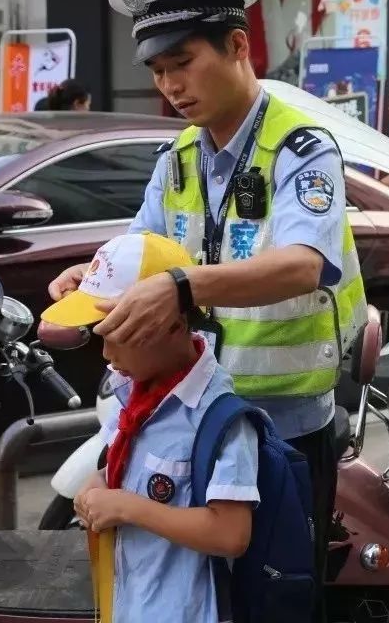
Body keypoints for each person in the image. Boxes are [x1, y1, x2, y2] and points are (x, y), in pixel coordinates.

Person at [47, 0, 368, 623]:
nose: (170, 85)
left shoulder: (300, 149)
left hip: (284, 430)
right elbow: (141, 245)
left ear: (238, 47)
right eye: (160, 69)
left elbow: (307, 265)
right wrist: (92, 272)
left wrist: (184, 284)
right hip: (194, 423)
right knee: (191, 594)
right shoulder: (180, 159)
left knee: (273, 596)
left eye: (184, 63)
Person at [45, 232, 259, 623]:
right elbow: (114, 467)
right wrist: (97, 485)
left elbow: (230, 533)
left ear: (173, 325)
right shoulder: (134, 395)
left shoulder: (218, 419)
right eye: (100, 334)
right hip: (129, 601)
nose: (107, 354)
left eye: (119, 334)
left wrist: (127, 507)